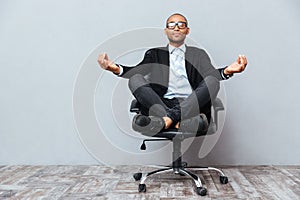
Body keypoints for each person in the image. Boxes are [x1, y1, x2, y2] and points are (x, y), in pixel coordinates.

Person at [98, 13, 247, 134]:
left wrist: (227, 71)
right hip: (162, 103)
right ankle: (179, 122)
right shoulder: (155, 53)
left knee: (212, 81)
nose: (176, 28)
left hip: (192, 104)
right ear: (166, 30)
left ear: (187, 30)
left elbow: (211, 75)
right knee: (135, 79)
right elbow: (136, 72)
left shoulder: (198, 54)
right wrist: (114, 68)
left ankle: (165, 121)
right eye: (172, 25)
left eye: (181, 25)